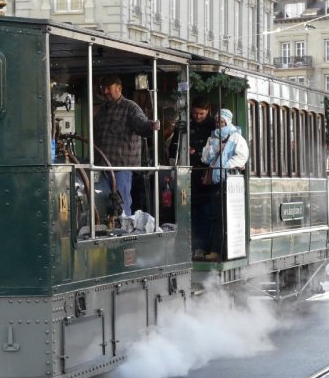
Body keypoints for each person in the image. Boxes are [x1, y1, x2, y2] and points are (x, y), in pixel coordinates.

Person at [94, 74, 160, 217]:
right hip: (102, 167)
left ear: (119, 88)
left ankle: (124, 233)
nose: (105, 92)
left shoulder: (130, 108)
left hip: (120, 168)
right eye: (103, 88)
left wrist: (151, 126)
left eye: (108, 88)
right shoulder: (102, 111)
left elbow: (141, 124)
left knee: (121, 205)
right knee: (101, 204)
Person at [200, 108, 249, 261]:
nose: (218, 125)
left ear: (227, 121)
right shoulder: (212, 138)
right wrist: (215, 149)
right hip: (215, 182)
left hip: (228, 182)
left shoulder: (235, 137)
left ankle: (221, 250)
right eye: (216, 122)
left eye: (221, 122)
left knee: (224, 217)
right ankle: (214, 248)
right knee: (215, 216)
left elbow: (242, 157)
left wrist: (226, 165)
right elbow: (205, 158)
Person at [169, 96, 215, 258]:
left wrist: (198, 152)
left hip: (205, 177)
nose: (198, 116)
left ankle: (201, 247)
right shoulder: (184, 127)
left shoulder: (213, 127)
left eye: (201, 114)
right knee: (187, 214)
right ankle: (186, 248)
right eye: (195, 113)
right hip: (186, 177)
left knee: (204, 215)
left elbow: (216, 152)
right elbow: (172, 149)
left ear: (207, 112)